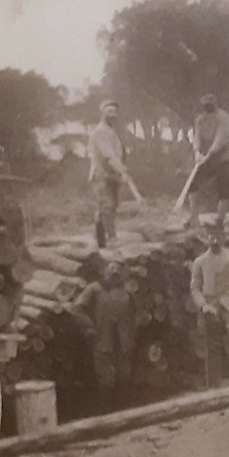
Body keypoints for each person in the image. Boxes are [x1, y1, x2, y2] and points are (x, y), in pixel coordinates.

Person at [190, 219, 229, 386]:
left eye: (218, 236)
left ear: (224, 237)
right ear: (206, 238)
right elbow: (195, 288)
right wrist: (203, 305)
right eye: (211, 236)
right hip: (211, 307)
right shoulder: (200, 262)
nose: (215, 240)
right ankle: (214, 383)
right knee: (211, 346)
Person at [69, 260, 137, 409]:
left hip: (124, 343)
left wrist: (131, 333)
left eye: (117, 269)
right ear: (103, 270)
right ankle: (107, 415)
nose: (114, 272)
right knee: (106, 381)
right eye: (110, 268)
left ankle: (125, 415)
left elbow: (134, 313)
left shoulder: (127, 291)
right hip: (102, 341)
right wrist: (89, 327)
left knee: (124, 378)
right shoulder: (94, 289)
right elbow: (77, 309)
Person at [88, 98, 138, 249]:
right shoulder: (100, 132)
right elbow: (109, 155)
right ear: (102, 112)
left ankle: (101, 242)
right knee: (106, 206)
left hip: (112, 176)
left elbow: (118, 153)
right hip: (101, 175)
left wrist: (122, 169)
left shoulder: (112, 132)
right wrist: (122, 170)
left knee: (110, 206)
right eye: (109, 111)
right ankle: (111, 239)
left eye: (114, 111)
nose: (112, 114)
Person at [188, 93, 229, 217]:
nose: (208, 105)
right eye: (205, 103)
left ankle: (220, 220)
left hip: (224, 157)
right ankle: (193, 218)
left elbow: (221, 139)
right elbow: (197, 137)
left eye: (211, 102)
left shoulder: (223, 117)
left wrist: (208, 155)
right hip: (207, 158)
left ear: (216, 104)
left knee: (223, 188)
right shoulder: (200, 120)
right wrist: (197, 152)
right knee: (193, 184)